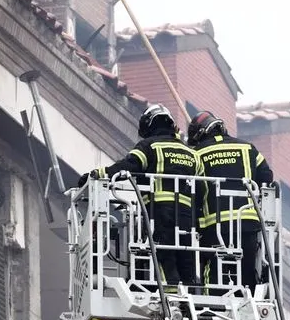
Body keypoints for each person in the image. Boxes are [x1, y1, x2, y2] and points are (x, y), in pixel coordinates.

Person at [78, 104, 202, 289]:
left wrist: (96, 174)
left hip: (159, 215)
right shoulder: (192, 154)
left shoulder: (149, 146)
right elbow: (201, 188)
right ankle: (191, 293)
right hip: (186, 219)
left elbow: (126, 167)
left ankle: (170, 298)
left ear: (149, 126)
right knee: (185, 258)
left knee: (162, 258)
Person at [187, 110, 275, 293]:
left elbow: (191, 188)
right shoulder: (247, 148)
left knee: (214, 273)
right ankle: (247, 301)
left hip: (216, 226)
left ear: (200, 133)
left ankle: (212, 308)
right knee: (247, 271)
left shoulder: (197, 153)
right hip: (247, 223)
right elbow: (266, 176)